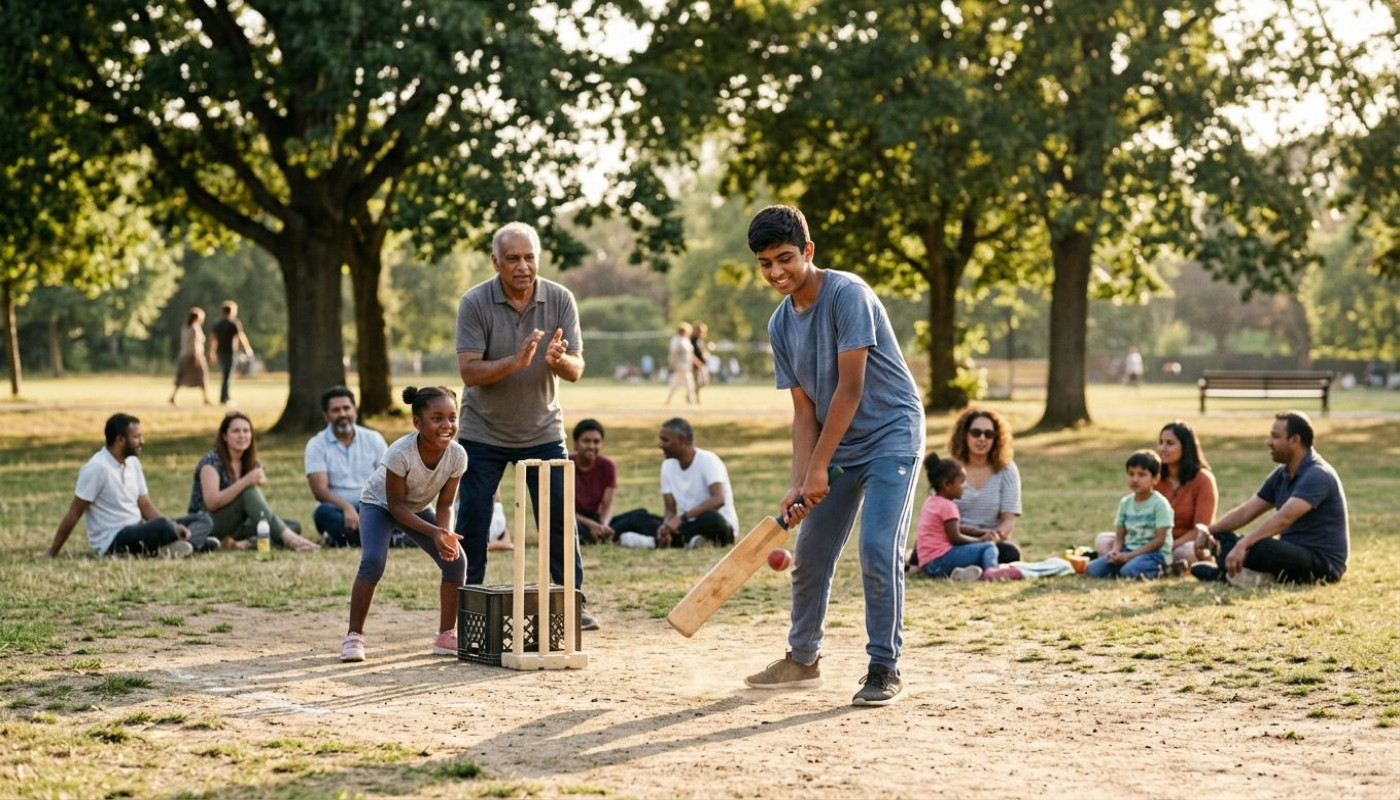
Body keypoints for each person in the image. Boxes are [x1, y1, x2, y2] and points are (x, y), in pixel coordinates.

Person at [741, 205, 925, 707]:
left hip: (891, 433)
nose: (776, 272)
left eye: (785, 259)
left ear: (808, 251)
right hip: (834, 443)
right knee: (811, 554)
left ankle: (884, 667)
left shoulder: (849, 295)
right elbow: (805, 410)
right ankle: (802, 661)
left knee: (877, 548)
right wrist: (800, 477)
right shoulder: (780, 324)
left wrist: (820, 466)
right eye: (765, 264)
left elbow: (850, 387)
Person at [452, 221, 596, 631]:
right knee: (473, 520)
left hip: (542, 430)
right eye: (512, 258)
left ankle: (571, 601)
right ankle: (470, 600)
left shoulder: (560, 299)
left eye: (529, 257)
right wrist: (514, 362)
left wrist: (557, 361)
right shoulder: (475, 302)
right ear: (495, 261)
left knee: (557, 521)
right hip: (484, 431)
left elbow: (577, 368)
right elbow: (468, 372)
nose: (522, 266)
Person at [340, 386, 468, 662]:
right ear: (418, 423)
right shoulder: (400, 453)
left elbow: (445, 504)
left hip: (418, 508)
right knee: (373, 561)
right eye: (437, 418)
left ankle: (446, 635)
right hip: (380, 505)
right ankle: (354, 636)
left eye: (452, 417)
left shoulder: (457, 456)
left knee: (456, 562)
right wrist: (434, 531)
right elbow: (395, 506)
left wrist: (444, 535)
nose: (447, 425)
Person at [1191, 411, 1349, 586]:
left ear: (1295, 440)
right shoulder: (1283, 473)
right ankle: (1231, 573)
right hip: (1292, 554)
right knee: (1224, 536)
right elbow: (1246, 512)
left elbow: (1283, 519)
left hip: (1323, 565)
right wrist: (1209, 532)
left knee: (1259, 546)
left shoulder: (1318, 474)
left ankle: (1227, 574)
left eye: (1275, 437)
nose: (1269, 442)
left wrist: (1243, 544)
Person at [46, 413, 213, 559]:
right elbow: (74, 513)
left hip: (138, 529)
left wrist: (172, 526)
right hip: (113, 540)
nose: (142, 441)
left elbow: (146, 506)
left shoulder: (133, 463)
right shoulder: (97, 468)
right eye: (137, 437)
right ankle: (191, 544)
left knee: (203, 519)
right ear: (120, 439)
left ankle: (181, 546)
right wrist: (52, 552)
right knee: (164, 526)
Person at [189, 411, 318, 552]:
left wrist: (259, 480)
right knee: (249, 492)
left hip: (237, 526)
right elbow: (212, 503)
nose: (242, 435)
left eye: (246, 431)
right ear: (225, 436)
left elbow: (259, 500)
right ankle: (291, 541)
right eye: (236, 431)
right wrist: (246, 481)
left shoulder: (250, 461)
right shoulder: (211, 461)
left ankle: (245, 543)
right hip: (207, 525)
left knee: (292, 526)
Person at [613, 418, 739, 549]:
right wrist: (666, 527)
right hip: (686, 525)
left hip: (717, 526)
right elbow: (670, 510)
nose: (660, 445)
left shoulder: (708, 460)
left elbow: (718, 500)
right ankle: (687, 542)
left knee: (712, 519)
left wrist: (682, 519)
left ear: (681, 440)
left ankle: (654, 543)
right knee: (639, 518)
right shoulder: (667, 466)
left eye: (665, 440)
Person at [911, 453, 1023, 582]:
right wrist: (982, 541)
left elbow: (925, 534)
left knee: (975, 550)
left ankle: (962, 574)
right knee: (989, 547)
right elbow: (955, 538)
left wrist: (914, 562)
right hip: (941, 560)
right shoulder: (948, 506)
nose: (964, 487)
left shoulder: (930, 502)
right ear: (947, 484)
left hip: (930, 565)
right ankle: (992, 572)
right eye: (961, 483)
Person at [304, 386, 389, 548]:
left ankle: (351, 538)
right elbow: (319, 491)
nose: (343, 414)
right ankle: (390, 539)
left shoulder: (373, 439)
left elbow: (388, 479)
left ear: (355, 410)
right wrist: (347, 508)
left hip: (372, 506)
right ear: (326, 416)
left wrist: (372, 509)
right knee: (323, 515)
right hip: (338, 510)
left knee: (405, 511)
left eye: (346, 408)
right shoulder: (316, 445)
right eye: (335, 410)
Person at [948, 408, 1023, 564]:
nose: (982, 438)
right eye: (976, 432)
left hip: (991, 542)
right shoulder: (949, 469)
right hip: (955, 539)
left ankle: (969, 566)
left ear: (996, 439)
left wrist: (995, 537)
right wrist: (975, 537)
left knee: (1011, 553)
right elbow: (938, 518)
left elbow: (1008, 519)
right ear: (965, 435)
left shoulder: (1007, 469)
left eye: (988, 434)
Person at [1086, 450, 1174, 580]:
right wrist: (1115, 551)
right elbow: (1120, 534)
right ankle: (1124, 568)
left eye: (1141, 475)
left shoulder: (1160, 504)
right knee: (1092, 569)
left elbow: (1159, 541)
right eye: (1131, 474)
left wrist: (1129, 556)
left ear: (1155, 479)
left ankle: (1163, 569)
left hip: (1154, 553)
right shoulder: (1125, 502)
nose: (1135, 479)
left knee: (1129, 571)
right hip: (1128, 550)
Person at [1155, 421, 1218, 574]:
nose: (1162, 448)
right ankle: (1165, 566)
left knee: (1190, 552)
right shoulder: (1154, 477)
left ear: (1186, 447)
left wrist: (1170, 545)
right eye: (1161, 442)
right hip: (1152, 543)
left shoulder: (1203, 480)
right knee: (1103, 541)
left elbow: (1201, 529)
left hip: (1184, 545)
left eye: (1169, 443)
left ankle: (1166, 566)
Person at [568, 418, 618, 544]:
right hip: (571, 518)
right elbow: (561, 508)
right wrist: (590, 525)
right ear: (575, 443)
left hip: (596, 519)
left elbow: (607, 505)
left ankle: (602, 534)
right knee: (565, 528)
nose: (591, 446)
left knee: (639, 516)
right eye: (586, 441)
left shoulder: (608, 466)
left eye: (596, 442)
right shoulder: (564, 465)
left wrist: (603, 525)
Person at [209, 300, 254, 405]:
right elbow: (241, 336)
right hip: (229, 352)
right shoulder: (234, 323)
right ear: (233, 311)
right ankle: (224, 398)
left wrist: (212, 352)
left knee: (226, 374)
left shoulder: (218, 323)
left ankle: (226, 396)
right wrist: (247, 349)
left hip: (220, 352)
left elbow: (213, 339)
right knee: (227, 375)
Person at [169, 307, 211, 406]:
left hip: (184, 355)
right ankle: (205, 398)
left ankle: (173, 397)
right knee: (202, 376)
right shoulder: (195, 328)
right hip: (193, 355)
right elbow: (195, 343)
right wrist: (197, 357)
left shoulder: (185, 327)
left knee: (181, 376)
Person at [664, 322, 701, 405]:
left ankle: (669, 400)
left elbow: (690, 354)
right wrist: (672, 365)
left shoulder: (686, 340)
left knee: (678, 383)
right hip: (680, 365)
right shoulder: (676, 340)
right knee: (687, 382)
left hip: (687, 365)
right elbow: (673, 353)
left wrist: (696, 362)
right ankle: (691, 400)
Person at [690, 321, 711, 402]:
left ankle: (693, 395)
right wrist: (696, 361)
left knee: (703, 382)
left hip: (702, 364)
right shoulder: (693, 340)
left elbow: (701, 351)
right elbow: (691, 352)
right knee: (697, 382)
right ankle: (694, 397)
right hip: (696, 364)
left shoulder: (700, 340)